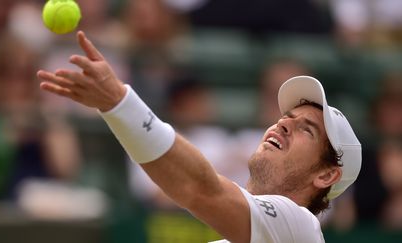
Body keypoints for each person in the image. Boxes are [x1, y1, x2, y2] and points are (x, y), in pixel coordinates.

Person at [37, 31, 362, 243]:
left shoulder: (300, 230)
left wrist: (119, 102)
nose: (283, 124)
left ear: (326, 174)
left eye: (307, 129)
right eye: (286, 117)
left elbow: (199, 188)